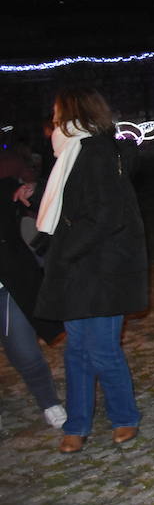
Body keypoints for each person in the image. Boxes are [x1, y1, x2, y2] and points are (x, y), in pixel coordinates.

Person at [33, 87, 148, 454]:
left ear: (73, 113)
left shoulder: (97, 152)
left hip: (101, 267)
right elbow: (64, 202)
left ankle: (124, 417)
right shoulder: (70, 153)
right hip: (77, 268)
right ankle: (77, 423)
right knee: (77, 350)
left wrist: (65, 250)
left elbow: (104, 214)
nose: (53, 121)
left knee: (101, 349)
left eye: (57, 113)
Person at [2, 141, 66, 430]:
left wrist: (31, 191)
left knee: (24, 350)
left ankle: (48, 401)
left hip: (5, 285)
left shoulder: (6, 184)